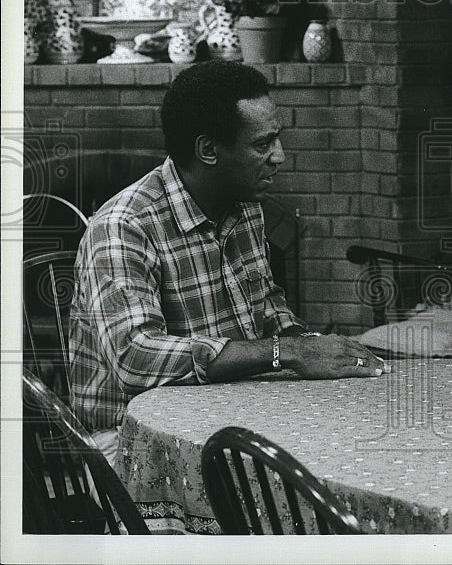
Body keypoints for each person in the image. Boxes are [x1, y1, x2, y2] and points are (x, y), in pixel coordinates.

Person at [69, 61, 388, 465]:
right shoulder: (124, 227)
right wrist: (283, 352)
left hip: (225, 418)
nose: (280, 157)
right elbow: (135, 359)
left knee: (353, 452)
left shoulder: (245, 208)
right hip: (128, 440)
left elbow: (269, 311)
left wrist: (313, 347)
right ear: (208, 150)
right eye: (262, 144)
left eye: (277, 139)